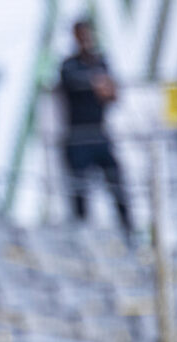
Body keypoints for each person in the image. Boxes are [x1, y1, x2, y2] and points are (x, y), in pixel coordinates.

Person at [58, 20, 132, 235]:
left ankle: (129, 232)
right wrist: (96, 83)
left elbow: (112, 93)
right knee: (80, 192)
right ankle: (81, 235)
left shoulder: (100, 62)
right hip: (77, 136)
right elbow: (74, 83)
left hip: (99, 133)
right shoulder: (69, 65)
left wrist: (101, 85)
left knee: (117, 183)